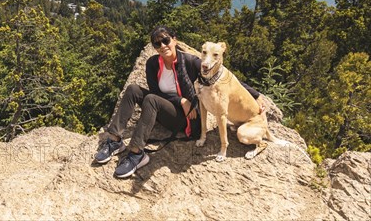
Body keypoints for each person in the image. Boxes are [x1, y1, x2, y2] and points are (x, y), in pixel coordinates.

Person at [94, 26, 263, 178]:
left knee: (152, 100)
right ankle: (115, 140)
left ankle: (137, 153)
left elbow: (225, 76)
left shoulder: (190, 62)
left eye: (166, 40)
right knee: (133, 89)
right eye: (157, 44)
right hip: (165, 108)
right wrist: (180, 99)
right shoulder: (153, 63)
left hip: (186, 117)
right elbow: (154, 92)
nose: (163, 46)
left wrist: (255, 95)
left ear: (174, 40)